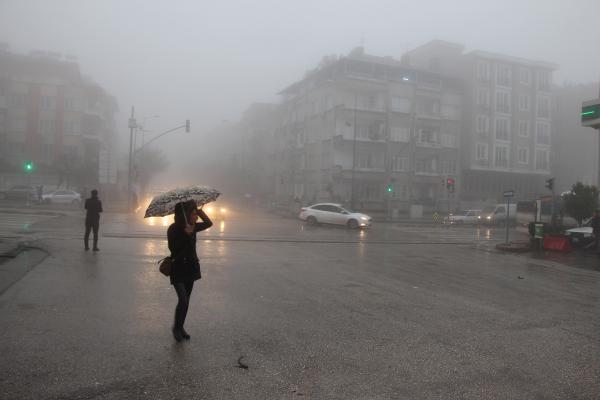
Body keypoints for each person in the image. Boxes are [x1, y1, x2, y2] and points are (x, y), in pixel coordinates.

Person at [167, 200, 213, 342]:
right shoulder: (173, 228)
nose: (196, 217)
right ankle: (176, 328)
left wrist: (200, 212)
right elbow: (173, 249)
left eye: (196, 214)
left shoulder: (193, 226)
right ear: (185, 214)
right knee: (183, 299)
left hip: (191, 267)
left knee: (186, 301)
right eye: (193, 214)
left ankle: (180, 327)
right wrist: (186, 235)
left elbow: (209, 223)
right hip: (178, 268)